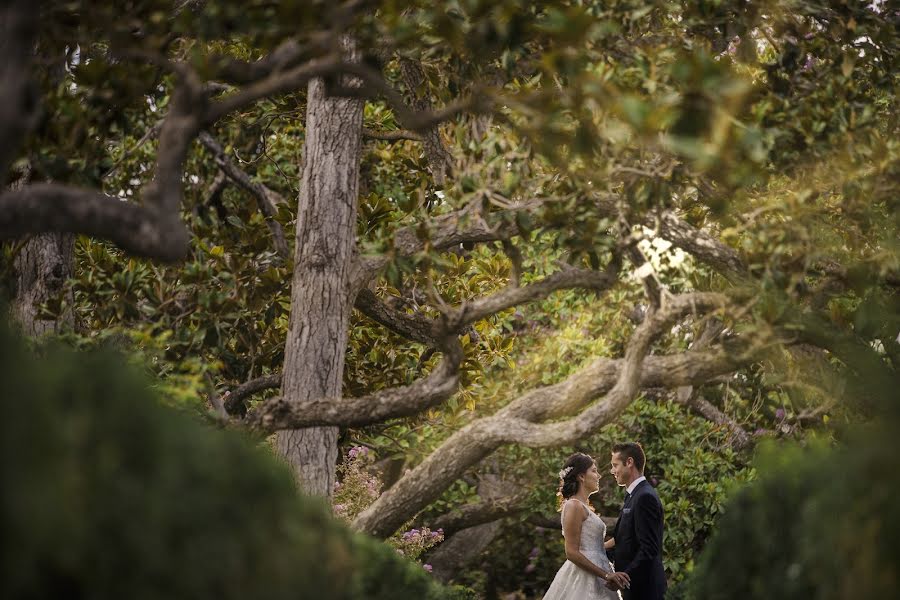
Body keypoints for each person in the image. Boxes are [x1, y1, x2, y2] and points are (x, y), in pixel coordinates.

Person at [543, 452, 629, 599]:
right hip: (584, 576)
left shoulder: (584, 507)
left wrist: (622, 537)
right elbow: (571, 552)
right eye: (594, 471)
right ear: (581, 476)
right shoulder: (574, 506)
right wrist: (606, 575)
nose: (599, 476)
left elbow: (593, 546)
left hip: (599, 571)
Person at [607, 442, 667, 600]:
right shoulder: (632, 495)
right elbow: (627, 539)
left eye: (615, 465)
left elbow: (649, 549)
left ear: (629, 462)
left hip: (645, 590)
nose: (612, 471)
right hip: (634, 589)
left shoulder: (645, 497)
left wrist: (624, 577)